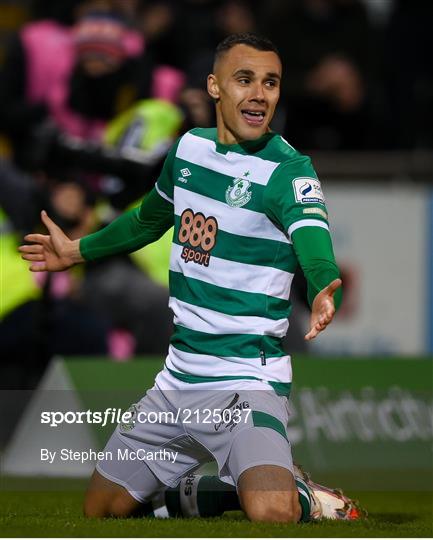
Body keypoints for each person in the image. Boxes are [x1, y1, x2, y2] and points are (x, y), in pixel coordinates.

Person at [20, 33, 359, 523]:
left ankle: (306, 496)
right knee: (101, 510)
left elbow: (315, 244)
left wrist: (325, 284)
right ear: (215, 87)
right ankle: (197, 495)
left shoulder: (289, 172)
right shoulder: (188, 150)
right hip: (177, 380)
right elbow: (146, 221)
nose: (260, 94)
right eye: (245, 80)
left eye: (271, 82)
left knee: (272, 513)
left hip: (247, 380)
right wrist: (77, 250)